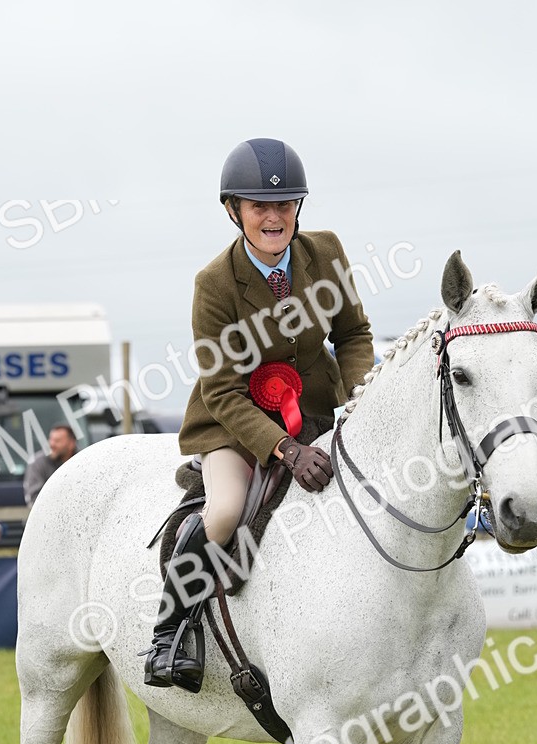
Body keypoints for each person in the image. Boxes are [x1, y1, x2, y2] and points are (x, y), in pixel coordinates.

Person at [142, 137, 375, 690]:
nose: (274, 217)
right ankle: (169, 634)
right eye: (258, 206)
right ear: (233, 210)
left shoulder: (326, 252)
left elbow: (353, 335)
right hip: (234, 423)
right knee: (225, 510)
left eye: (285, 204)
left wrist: (362, 401)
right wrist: (285, 449)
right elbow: (222, 389)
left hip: (320, 410)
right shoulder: (215, 284)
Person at [24, 424, 78, 506]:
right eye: (51, 439)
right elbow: (34, 499)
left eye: (57, 441)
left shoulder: (85, 460)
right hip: (47, 513)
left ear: (71, 444)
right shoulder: (38, 463)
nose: (52, 444)